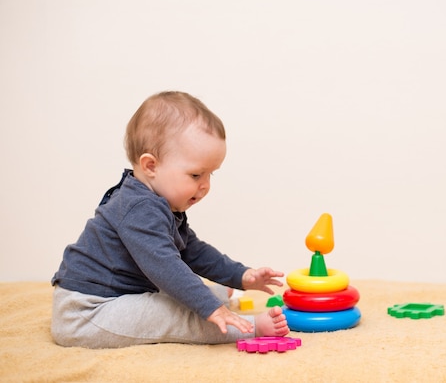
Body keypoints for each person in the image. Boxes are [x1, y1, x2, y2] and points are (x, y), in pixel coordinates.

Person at [51, 91, 289, 348]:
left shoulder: (158, 203)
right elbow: (165, 266)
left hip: (118, 297)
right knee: (174, 314)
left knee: (181, 294)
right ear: (151, 166)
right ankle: (250, 328)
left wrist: (240, 275)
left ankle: (222, 295)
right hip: (87, 312)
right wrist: (211, 307)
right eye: (196, 175)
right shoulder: (139, 207)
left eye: (211, 175)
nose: (205, 185)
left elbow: (192, 252)